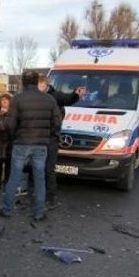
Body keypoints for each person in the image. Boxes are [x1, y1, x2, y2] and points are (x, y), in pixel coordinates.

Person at [0, 70, 60, 222]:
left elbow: (10, 124)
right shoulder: (49, 99)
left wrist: (15, 137)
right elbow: (57, 123)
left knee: (14, 177)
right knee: (40, 179)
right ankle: (38, 213)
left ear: (23, 82)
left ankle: (7, 209)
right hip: (41, 144)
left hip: (21, 143)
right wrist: (46, 134)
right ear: (36, 81)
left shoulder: (17, 99)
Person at [39, 75, 80, 208]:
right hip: (38, 137)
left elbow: (67, 99)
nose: (37, 88)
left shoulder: (54, 96)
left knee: (49, 169)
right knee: (37, 167)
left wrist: (75, 95)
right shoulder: (35, 96)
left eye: (39, 85)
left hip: (51, 137)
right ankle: (38, 192)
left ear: (45, 84)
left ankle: (50, 197)